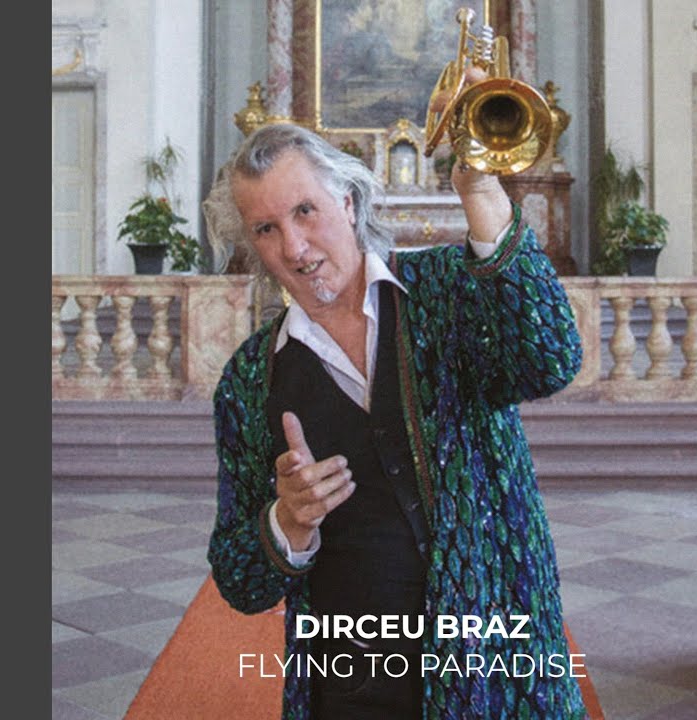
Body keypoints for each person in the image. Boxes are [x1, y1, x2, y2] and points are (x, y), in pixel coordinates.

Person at [202, 116, 587, 719]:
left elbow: (551, 359)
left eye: (306, 211)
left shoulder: (448, 291)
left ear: (348, 202)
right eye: (266, 229)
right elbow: (239, 579)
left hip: (496, 668)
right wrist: (287, 521)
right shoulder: (251, 380)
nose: (294, 248)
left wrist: (482, 191)